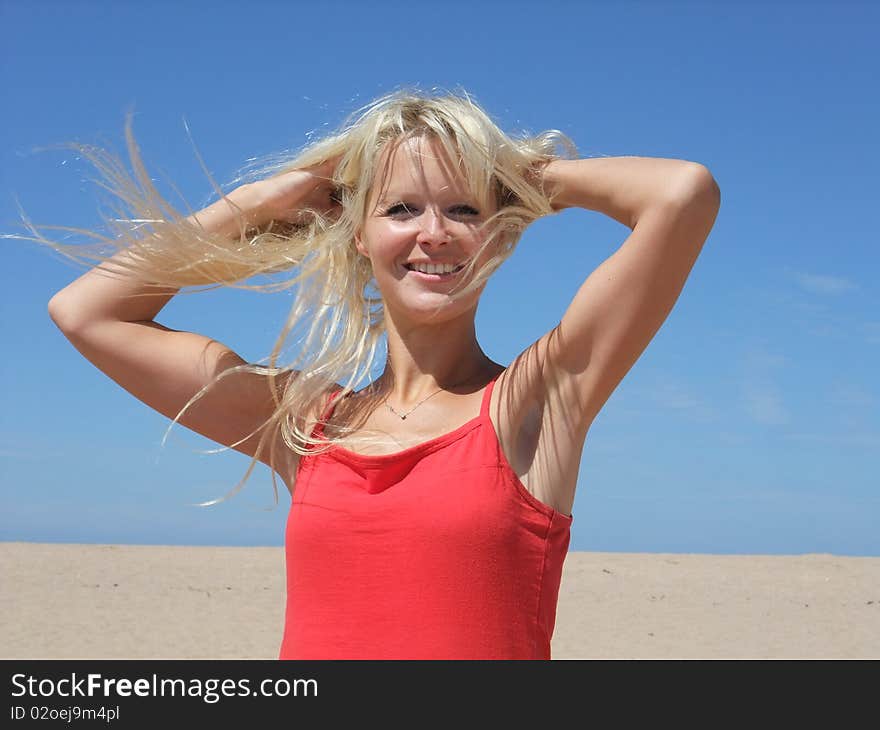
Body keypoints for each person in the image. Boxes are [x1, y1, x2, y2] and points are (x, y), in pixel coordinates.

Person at [38, 89, 720, 659]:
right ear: (359, 234)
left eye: (464, 209)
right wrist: (261, 199)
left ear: (499, 234)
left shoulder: (535, 403)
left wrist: (516, 173)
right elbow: (86, 312)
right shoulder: (305, 424)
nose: (435, 232)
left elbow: (681, 194)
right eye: (401, 208)